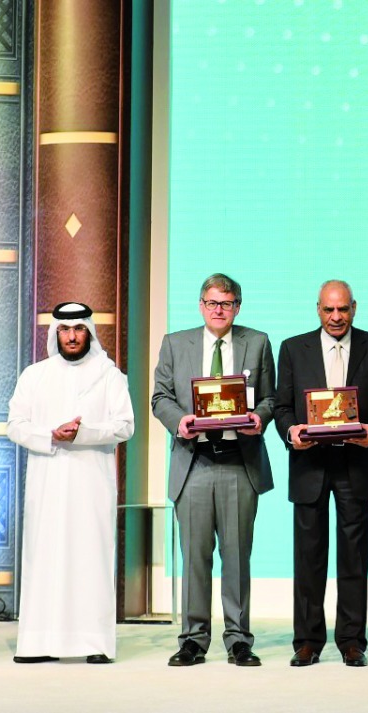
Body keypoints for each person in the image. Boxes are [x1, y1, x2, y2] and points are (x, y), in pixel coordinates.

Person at [151, 273, 275, 667]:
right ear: (201, 305)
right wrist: (179, 421)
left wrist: (258, 417)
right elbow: (160, 396)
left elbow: (271, 398)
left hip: (239, 462)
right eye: (211, 303)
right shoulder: (175, 343)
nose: (219, 310)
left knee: (238, 556)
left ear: (238, 306)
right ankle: (192, 639)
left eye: (227, 303)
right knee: (195, 558)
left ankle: (239, 639)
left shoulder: (256, 342)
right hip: (195, 461)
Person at [273, 280, 368, 667]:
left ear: (354, 308)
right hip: (309, 463)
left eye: (343, 309)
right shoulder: (293, 348)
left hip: (356, 462)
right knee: (308, 557)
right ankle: (307, 641)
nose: (336, 316)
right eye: (329, 310)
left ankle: (351, 641)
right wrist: (291, 432)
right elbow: (281, 406)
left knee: (354, 557)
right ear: (318, 310)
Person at [7, 302, 134, 664]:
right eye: (65, 330)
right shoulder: (35, 375)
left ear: (89, 332)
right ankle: (37, 643)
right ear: (55, 333)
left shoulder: (109, 375)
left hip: (91, 484)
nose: (72, 336)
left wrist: (82, 433)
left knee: (90, 559)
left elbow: (125, 425)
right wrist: (50, 434)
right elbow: (15, 424)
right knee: (44, 557)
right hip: (47, 484)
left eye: (79, 329)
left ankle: (95, 644)